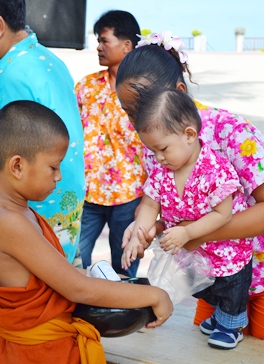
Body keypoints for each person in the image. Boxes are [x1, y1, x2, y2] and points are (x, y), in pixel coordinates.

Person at [115, 32, 264, 341]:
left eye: (141, 107)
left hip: (256, 278)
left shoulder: (231, 133)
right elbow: (166, 204)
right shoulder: (155, 145)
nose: (136, 120)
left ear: (178, 92)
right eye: (129, 112)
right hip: (206, 280)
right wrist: (147, 228)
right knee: (206, 346)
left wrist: (194, 232)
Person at [0, 100, 173, 364]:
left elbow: (52, 274)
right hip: (38, 353)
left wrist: (105, 277)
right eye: (53, 167)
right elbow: (77, 289)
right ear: (17, 166)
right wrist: (155, 295)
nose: (58, 177)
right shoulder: (9, 221)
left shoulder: (19, 211)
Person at [0, 0, 85, 263]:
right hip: (64, 202)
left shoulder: (11, 73)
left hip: (32, 209)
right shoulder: (49, 59)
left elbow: (12, 156)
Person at [75, 10, 146, 277]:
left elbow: (156, 149)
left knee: (124, 269)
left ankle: (124, 317)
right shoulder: (86, 87)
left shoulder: (147, 90)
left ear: (127, 45)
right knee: (71, 257)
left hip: (129, 197)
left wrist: (149, 202)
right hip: (87, 194)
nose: (98, 46)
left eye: (105, 40)